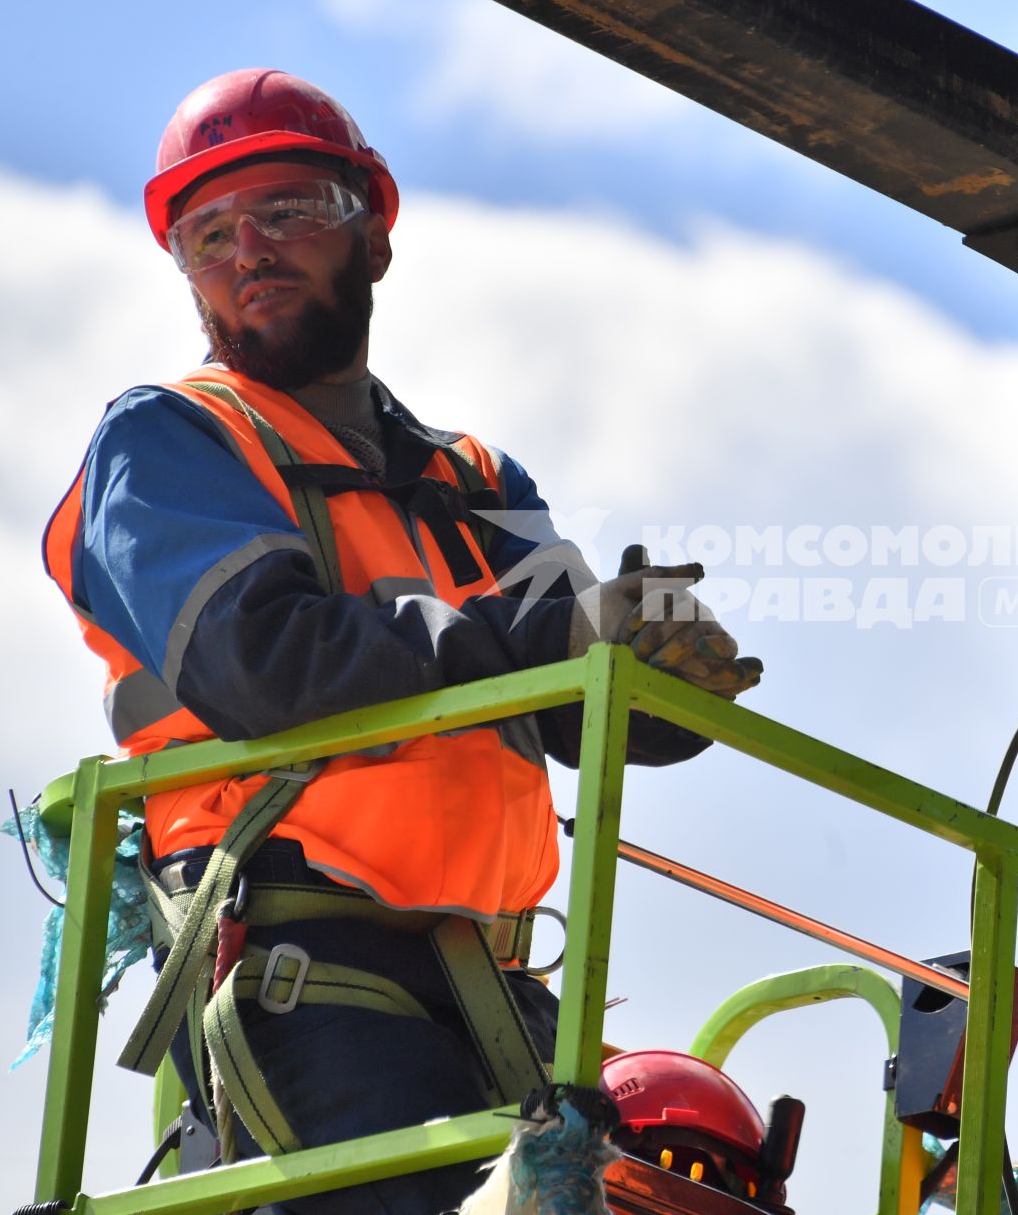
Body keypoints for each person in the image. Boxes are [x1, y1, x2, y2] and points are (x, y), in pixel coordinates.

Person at [43, 68, 761, 1213]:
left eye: (287, 211)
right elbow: (263, 660)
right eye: (209, 232)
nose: (250, 250)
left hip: (499, 993)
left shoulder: (470, 478)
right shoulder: (170, 440)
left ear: (371, 238)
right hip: (299, 977)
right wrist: (548, 635)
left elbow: (574, 689)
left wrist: (655, 671)